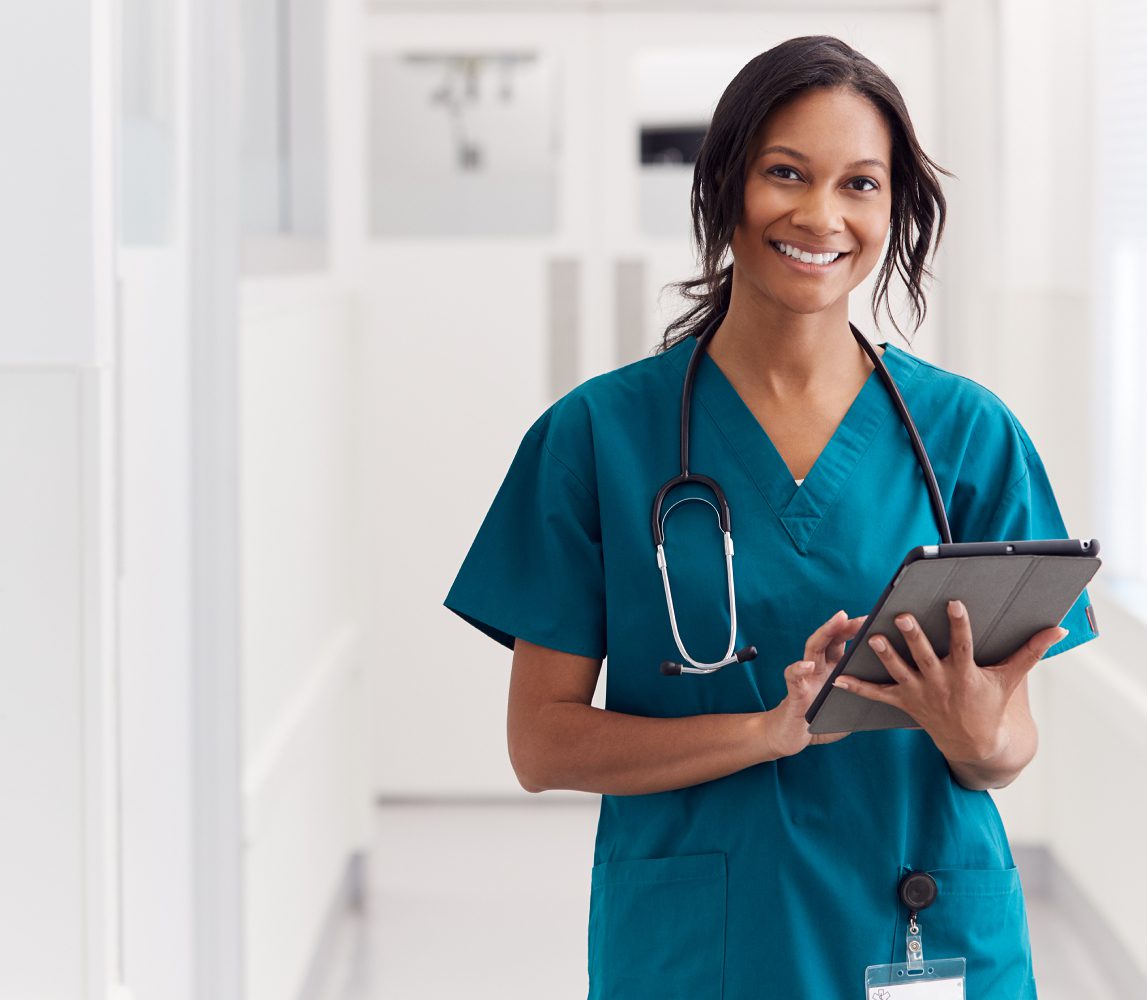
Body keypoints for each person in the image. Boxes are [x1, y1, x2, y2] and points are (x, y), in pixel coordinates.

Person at [443, 34, 1098, 1000]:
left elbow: (1006, 748)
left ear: (893, 206)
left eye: (860, 184)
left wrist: (973, 731)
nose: (821, 215)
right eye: (785, 173)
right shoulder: (595, 438)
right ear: (723, 188)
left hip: (919, 929)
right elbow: (542, 745)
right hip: (703, 946)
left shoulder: (965, 436)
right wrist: (768, 730)